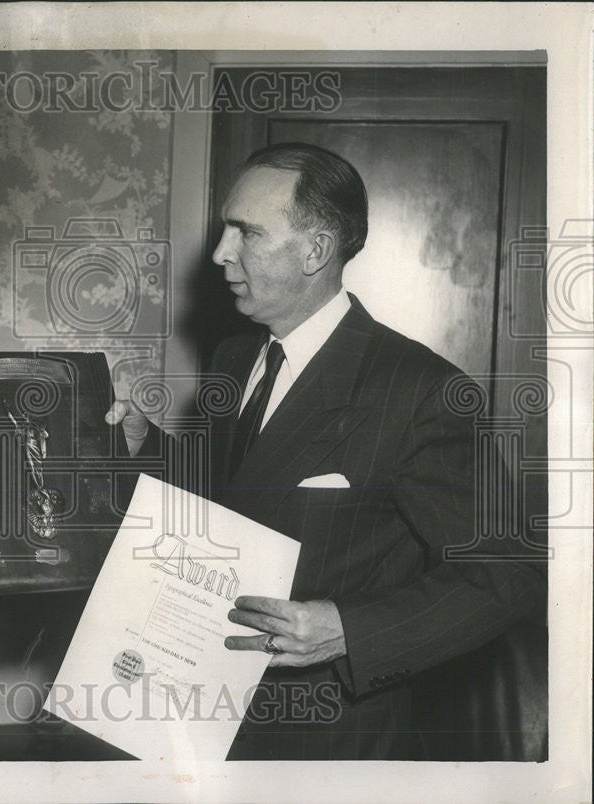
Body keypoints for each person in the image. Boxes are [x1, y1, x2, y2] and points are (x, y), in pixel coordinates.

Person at [106, 142, 545, 760]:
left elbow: (510, 570)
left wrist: (349, 632)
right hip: (196, 711)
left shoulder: (421, 390)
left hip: (326, 740)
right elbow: (232, 498)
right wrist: (145, 447)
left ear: (315, 250)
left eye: (246, 232)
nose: (219, 253)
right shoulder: (235, 358)